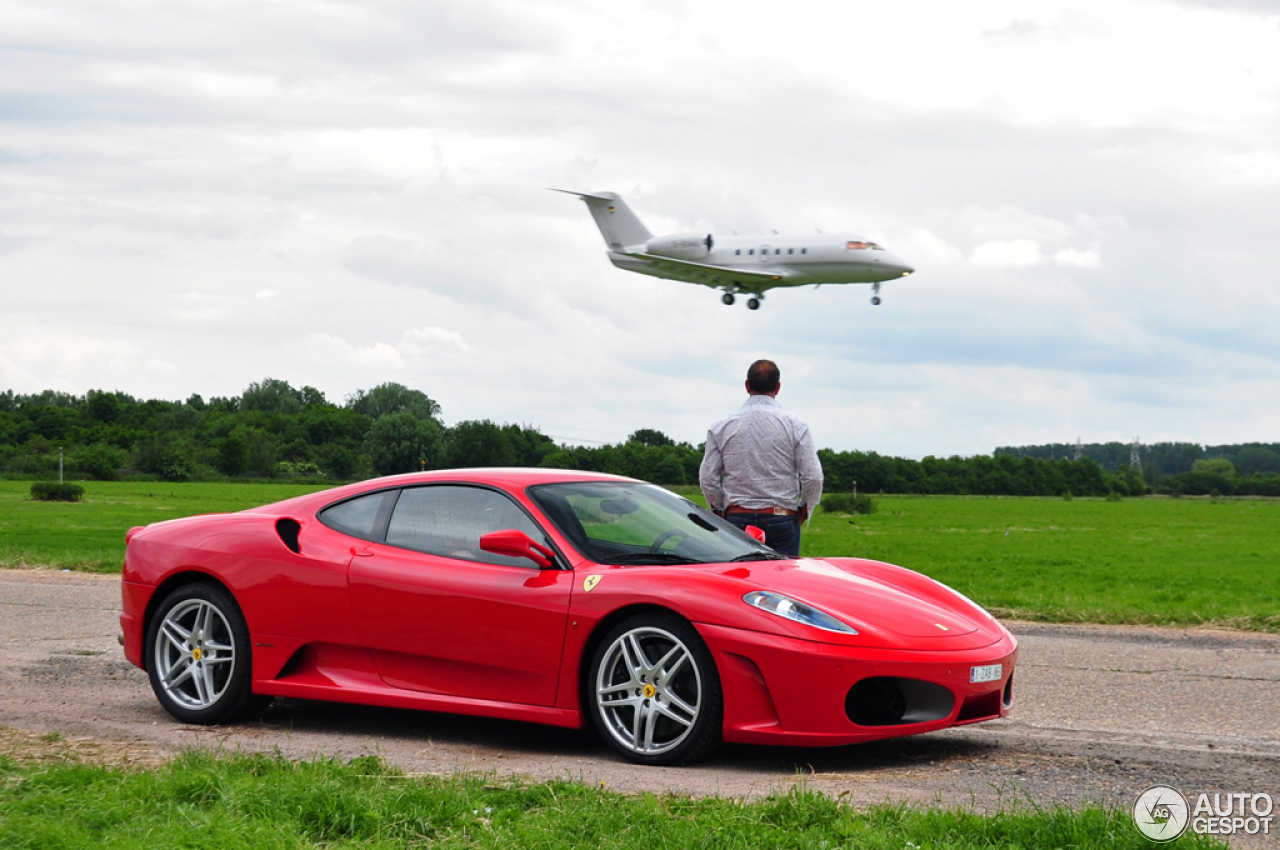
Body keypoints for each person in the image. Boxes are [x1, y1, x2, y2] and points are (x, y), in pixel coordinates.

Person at [698, 359, 823, 558]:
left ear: (747, 386)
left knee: (738, 583)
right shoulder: (796, 425)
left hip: (736, 518)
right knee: (780, 584)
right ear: (778, 387)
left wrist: (720, 512)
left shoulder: (721, 427)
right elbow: (813, 477)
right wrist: (804, 510)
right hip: (782, 516)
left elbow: (707, 478)